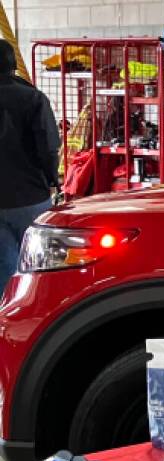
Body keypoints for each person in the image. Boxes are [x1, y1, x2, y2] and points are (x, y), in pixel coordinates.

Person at [0, 39, 60, 286]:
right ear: (13, 64)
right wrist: (53, 180)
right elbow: (47, 146)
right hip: (29, 196)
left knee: (3, 270)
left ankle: (4, 320)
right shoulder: (33, 98)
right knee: (36, 266)